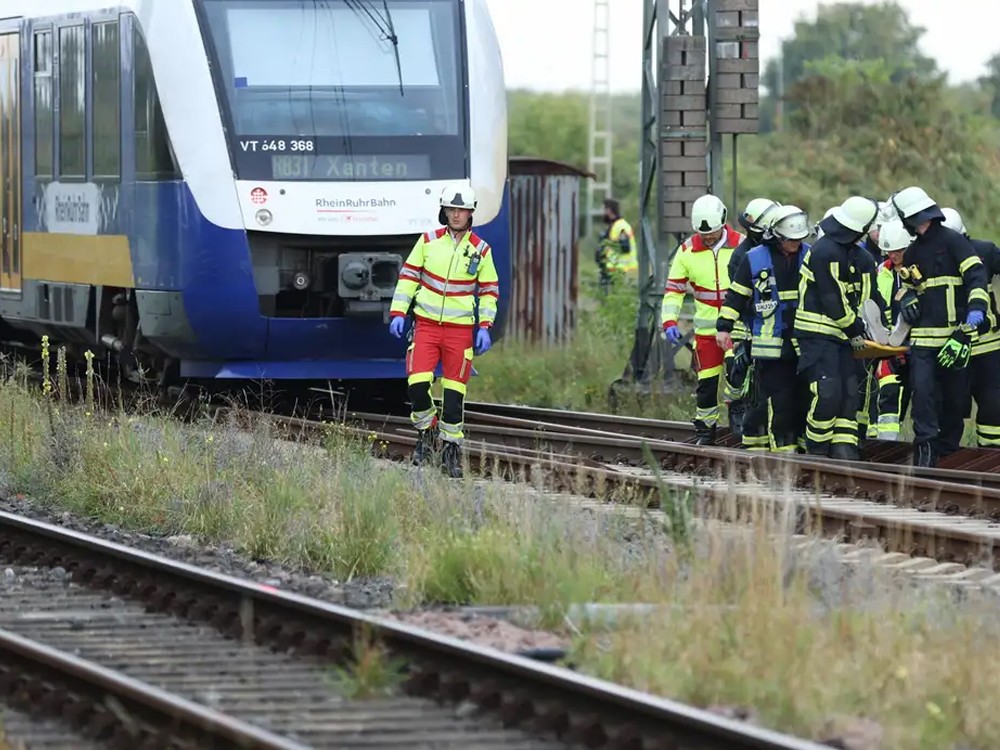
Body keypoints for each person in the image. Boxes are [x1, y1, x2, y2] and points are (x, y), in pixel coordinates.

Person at [388, 182, 500, 478]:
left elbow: (489, 290)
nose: (457, 215)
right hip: (425, 327)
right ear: (444, 211)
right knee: (417, 384)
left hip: (460, 332)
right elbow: (408, 278)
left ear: (471, 214)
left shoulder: (481, 250)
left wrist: (485, 326)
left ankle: (451, 450)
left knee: (454, 394)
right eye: (452, 209)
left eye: (462, 210)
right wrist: (399, 312)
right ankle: (426, 432)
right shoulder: (427, 241)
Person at [890, 187, 989, 467]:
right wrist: (906, 298)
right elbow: (905, 288)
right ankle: (926, 453)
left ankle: (950, 451)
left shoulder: (955, 242)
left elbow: (976, 278)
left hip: (954, 338)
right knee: (923, 396)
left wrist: (975, 314)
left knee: (955, 398)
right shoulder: (912, 253)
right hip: (923, 341)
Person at [717, 205, 810, 453]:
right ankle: (782, 453)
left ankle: (798, 450)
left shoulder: (810, 255)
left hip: (804, 342)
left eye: (799, 239)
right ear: (777, 236)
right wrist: (724, 328)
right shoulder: (754, 258)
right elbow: (736, 296)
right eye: (791, 239)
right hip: (770, 344)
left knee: (803, 397)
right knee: (778, 400)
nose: (795, 243)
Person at [793, 196, 881, 460]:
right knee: (827, 391)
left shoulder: (863, 258)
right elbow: (832, 297)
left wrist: (876, 331)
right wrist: (856, 329)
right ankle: (817, 451)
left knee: (849, 394)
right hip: (817, 335)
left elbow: (870, 298)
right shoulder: (823, 251)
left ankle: (843, 448)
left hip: (846, 337)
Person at [661, 194, 745, 445]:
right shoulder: (687, 252)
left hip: (736, 331)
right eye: (703, 234)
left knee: (738, 379)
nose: (708, 238)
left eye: (713, 233)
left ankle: (740, 428)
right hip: (706, 334)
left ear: (723, 222)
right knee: (706, 384)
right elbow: (674, 291)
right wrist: (669, 321)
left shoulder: (742, 245)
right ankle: (705, 431)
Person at [724, 197, 782, 446]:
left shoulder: (785, 250)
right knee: (740, 371)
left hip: (779, 325)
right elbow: (740, 299)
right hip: (750, 325)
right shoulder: (742, 256)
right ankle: (740, 411)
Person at [941, 207, 1000, 448]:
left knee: (993, 403)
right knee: (952, 405)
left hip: (988, 345)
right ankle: (949, 454)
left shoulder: (985, 250)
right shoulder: (931, 256)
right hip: (953, 346)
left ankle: (992, 453)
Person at [872, 218, 913, 440]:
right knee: (888, 392)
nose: (893, 256)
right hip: (888, 346)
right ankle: (887, 443)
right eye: (889, 251)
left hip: (917, 344)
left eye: (898, 251)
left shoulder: (919, 270)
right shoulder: (882, 272)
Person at [596, 198, 638, 288]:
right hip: (615, 270)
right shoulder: (616, 226)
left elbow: (625, 247)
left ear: (609, 210)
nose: (603, 213)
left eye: (604, 209)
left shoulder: (620, 226)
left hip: (619, 271)